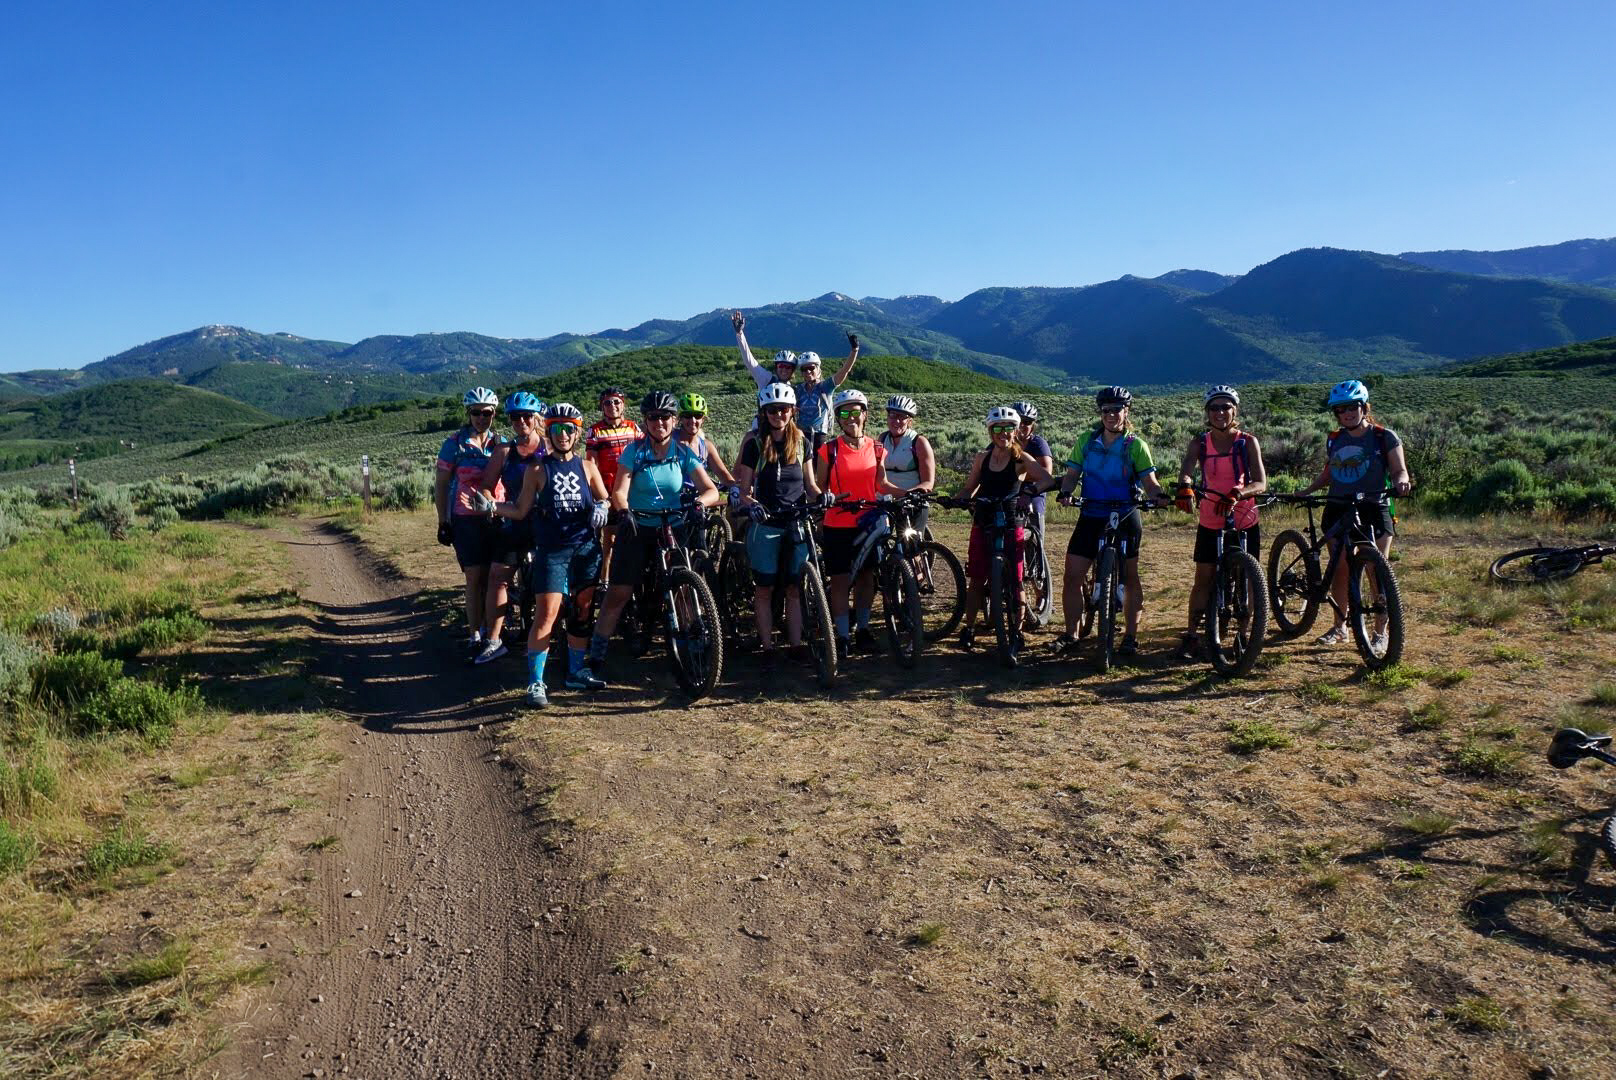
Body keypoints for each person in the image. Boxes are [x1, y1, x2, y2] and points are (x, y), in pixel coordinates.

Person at [485, 403, 610, 706]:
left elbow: (603, 496)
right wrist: (491, 506)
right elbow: (520, 509)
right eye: (557, 429)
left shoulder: (587, 466)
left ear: (577, 433)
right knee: (547, 614)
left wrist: (602, 507)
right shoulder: (537, 470)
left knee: (582, 610)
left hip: (585, 549)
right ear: (549, 431)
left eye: (569, 429)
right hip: (552, 550)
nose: (563, 434)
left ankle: (576, 671)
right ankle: (536, 682)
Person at [586, 391, 721, 674]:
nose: (659, 423)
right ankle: (596, 652)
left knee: (684, 588)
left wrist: (699, 503)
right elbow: (619, 492)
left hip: (673, 526)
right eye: (653, 417)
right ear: (645, 421)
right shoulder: (635, 451)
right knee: (619, 592)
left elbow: (710, 490)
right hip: (639, 525)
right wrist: (623, 512)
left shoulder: (683, 453)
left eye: (665, 417)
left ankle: (693, 639)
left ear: (673, 420)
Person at [1053, 386, 1167, 658]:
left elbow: (1150, 482)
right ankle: (1072, 634)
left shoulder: (1135, 445)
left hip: (1126, 514)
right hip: (1092, 512)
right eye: (1106, 410)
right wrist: (1066, 492)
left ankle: (1130, 636)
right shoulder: (1086, 440)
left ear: (1126, 412)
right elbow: (1072, 474)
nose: (1111, 415)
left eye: (1116, 409)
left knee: (1130, 577)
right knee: (1072, 576)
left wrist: (1158, 496)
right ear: (1100, 413)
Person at [1300, 379, 1413, 650]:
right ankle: (1340, 628)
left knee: (1377, 569)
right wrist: (1308, 490)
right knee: (1340, 568)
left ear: (1364, 407)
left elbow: (1398, 469)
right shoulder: (1335, 438)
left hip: (1374, 506)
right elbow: (1331, 472)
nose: (1347, 413)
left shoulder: (1384, 436)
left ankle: (1380, 632)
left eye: (1352, 407)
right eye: (1340, 409)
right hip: (1339, 505)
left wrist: (1402, 482)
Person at [1173, 385, 1268, 660]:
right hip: (1211, 518)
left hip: (1244, 517)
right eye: (1214, 408)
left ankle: (1245, 633)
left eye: (1225, 407)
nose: (1220, 412)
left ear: (1234, 411)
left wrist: (1239, 492)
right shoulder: (1199, 443)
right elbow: (1187, 470)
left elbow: (1260, 482)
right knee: (1203, 577)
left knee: (1249, 578)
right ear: (1207, 412)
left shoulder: (1247, 441)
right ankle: (1192, 635)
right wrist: (1185, 487)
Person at [733, 383, 823, 669]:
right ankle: (768, 647)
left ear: (793, 411)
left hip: (795, 521)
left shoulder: (804, 443)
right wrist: (752, 504)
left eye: (783, 409)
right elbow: (744, 489)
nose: (778, 415)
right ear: (764, 413)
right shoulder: (755, 445)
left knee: (794, 587)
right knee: (765, 588)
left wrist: (823, 497)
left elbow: (810, 485)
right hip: (767, 522)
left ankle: (796, 646)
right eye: (772, 410)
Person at [949, 406, 1053, 651]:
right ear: (990, 431)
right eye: (997, 428)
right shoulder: (982, 457)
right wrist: (958, 499)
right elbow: (970, 487)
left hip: (1010, 521)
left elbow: (1047, 479)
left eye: (1008, 428)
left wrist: (1030, 491)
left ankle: (1016, 632)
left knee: (1016, 581)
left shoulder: (1020, 460)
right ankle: (970, 627)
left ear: (1016, 431)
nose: (1003, 433)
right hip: (983, 519)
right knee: (976, 579)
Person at [813, 388, 903, 658]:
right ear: (837, 417)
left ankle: (863, 629)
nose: (850, 417)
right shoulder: (829, 450)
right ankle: (842, 635)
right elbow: (818, 485)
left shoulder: (877, 449)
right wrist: (824, 497)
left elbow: (881, 484)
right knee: (840, 581)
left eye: (856, 411)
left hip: (868, 522)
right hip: (837, 523)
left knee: (867, 579)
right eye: (844, 413)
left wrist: (911, 493)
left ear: (865, 414)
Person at [472, 391, 547, 663]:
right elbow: (486, 487)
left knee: (548, 581)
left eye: (527, 416)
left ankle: (546, 635)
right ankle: (494, 639)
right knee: (497, 577)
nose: (522, 421)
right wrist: (490, 504)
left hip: (544, 523)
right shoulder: (504, 451)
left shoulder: (549, 448)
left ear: (536, 417)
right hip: (514, 521)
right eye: (516, 417)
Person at [435, 387, 505, 652]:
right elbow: (441, 485)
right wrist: (444, 521)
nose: (481, 418)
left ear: (493, 414)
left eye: (486, 413)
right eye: (475, 413)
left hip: (497, 516)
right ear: (468, 413)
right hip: (465, 519)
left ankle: (491, 632)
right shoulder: (454, 444)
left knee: (493, 577)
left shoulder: (501, 442)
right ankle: (475, 633)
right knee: (474, 577)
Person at [587, 386, 641, 581]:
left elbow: (643, 455)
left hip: (632, 491)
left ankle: (632, 576)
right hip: (608, 491)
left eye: (616, 401)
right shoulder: (595, 431)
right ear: (602, 407)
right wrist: (598, 493)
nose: (612, 406)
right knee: (609, 539)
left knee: (634, 535)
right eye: (607, 402)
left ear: (623, 404)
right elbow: (591, 463)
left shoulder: (633, 427)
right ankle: (605, 580)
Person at [1013, 400, 1054, 629]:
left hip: (1033, 495)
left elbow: (1046, 474)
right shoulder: (1003, 441)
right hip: (1010, 495)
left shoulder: (1038, 444)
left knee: (1035, 543)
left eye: (1027, 423)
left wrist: (1028, 487)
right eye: (1020, 422)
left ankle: (1040, 589)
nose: (1023, 427)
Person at [878, 395, 937, 535]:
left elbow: (928, 482)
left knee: (910, 547)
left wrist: (911, 494)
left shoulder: (919, 442)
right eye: (893, 415)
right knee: (877, 542)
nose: (897, 420)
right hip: (885, 501)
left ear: (909, 421)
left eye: (902, 417)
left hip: (912, 503)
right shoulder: (882, 439)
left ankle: (917, 557)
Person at [793, 336, 860, 441]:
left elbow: (844, 370)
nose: (808, 372)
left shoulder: (825, 386)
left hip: (820, 435)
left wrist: (854, 350)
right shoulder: (798, 389)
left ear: (818, 368)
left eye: (811, 368)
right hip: (801, 435)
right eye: (804, 369)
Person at [732, 311, 798, 390]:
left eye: (788, 367)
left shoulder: (795, 390)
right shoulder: (766, 379)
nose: (784, 369)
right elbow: (749, 361)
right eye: (781, 366)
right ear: (776, 367)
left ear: (793, 370)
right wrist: (740, 333)